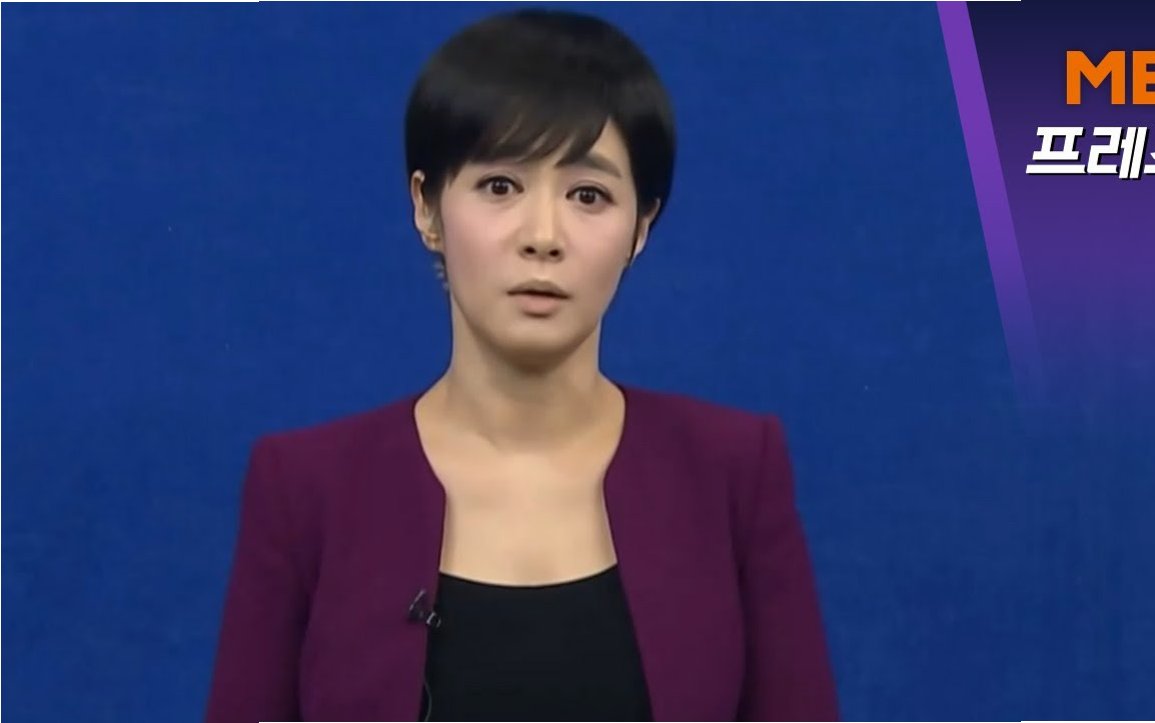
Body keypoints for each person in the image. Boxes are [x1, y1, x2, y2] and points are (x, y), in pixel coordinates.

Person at [205, 8, 838, 722]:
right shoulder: (305, 488)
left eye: (588, 195)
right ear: (427, 207)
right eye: (501, 186)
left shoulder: (732, 471)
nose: (543, 236)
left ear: (641, 227)